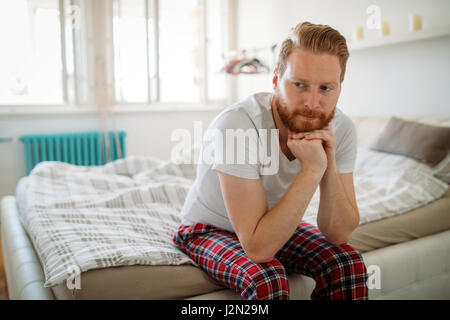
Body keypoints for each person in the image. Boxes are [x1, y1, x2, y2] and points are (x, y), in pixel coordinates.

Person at [172, 21, 368, 300]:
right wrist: (312, 169)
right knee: (268, 278)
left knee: (347, 264)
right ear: (276, 81)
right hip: (208, 228)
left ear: (339, 88)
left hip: (268, 223)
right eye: (299, 85)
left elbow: (338, 233)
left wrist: (329, 163)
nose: (312, 103)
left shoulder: (341, 128)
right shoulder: (237, 124)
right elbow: (258, 249)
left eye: (326, 88)